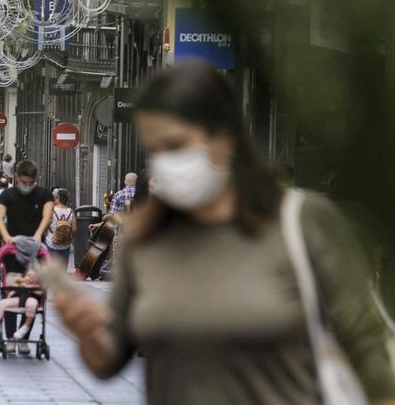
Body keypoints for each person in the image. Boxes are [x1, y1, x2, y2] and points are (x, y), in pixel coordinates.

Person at [55, 61, 395, 404]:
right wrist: (85, 330)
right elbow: (109, 359)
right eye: (153, 149)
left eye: (175, 145)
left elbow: (369, 347)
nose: (164, 162)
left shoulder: (300, 222)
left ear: (224, 136)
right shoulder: (147, 239)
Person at [0, 160, 54, 354]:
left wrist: (38, 233)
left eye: (30, 182)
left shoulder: (44, 194)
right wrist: (6, 237)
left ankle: (24, 337)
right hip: (13, 250)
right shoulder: (8, 194)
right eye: (23, 181)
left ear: (35, 179)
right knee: (11, 290)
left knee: (33, 293)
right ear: (16, 177)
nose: (27, 186)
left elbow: (47, 216)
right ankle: (11, 337)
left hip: (35, 250)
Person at [43, 188, 76, 267]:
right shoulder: (71, 212)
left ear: (57, 198)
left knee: (50, 268)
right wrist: (66, 235)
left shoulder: (52, 210)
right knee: (62, 270)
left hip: (51, 242)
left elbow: (46, 225)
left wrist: (46, 234)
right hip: (65, 244)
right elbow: (74, 229)